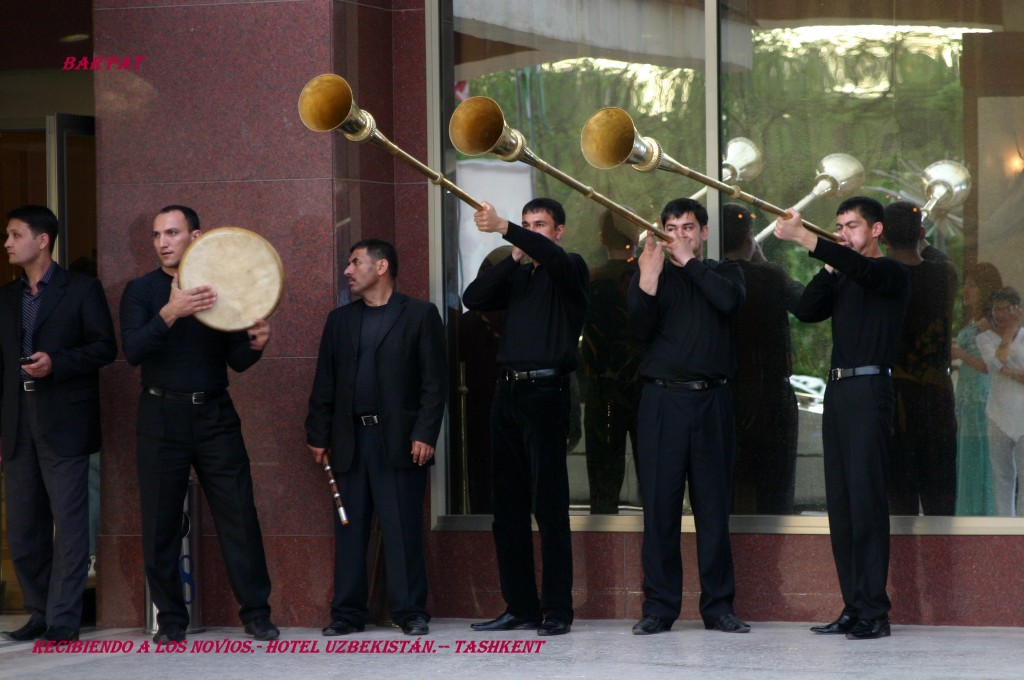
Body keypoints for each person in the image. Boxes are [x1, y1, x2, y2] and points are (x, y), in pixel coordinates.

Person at [120, 205, 278, 644]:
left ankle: (257, 614)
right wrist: (171, 311)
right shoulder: (141, 291)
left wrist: (257, 346)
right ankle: (170, 619)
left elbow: (237, 360)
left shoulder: (218, 289)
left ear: (197, 236)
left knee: (239, 515)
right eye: (156, 235)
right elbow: (133, 350)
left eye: (172, 232)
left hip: (214, 413)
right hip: (159, 415)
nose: (163, 242)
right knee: (160, 522)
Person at [775, 196, 909, 640]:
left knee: (867, 502)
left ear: (876, 230)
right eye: (839, 226)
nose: (844, 233)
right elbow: (806, 310)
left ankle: (875, 610)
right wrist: (828, 266)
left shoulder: (888, 271)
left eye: (852, 226)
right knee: (843, 505)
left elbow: (867, 273)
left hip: (871, 390)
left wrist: (809, 240)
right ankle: (853, 605)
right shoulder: (844, 271)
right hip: (838, 392)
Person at [306, 239, 447, 636]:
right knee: (350, 530)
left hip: (400, 441)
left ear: (381, 267)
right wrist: (317, 434)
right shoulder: (340, 321)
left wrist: (425, 433)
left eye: (355, 262)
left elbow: (435, 383)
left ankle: (410, 613)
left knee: (402, 528)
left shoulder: (419, 314)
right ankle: (347, 614)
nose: (348, 271)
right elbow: (324, 383)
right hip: (349, 440)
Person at [463, 197, 588, 637]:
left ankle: (557, 609)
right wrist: (513, 255)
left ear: (558, 231)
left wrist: (507, 229)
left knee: (549, 506)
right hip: (508, 392)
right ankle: (519, 605)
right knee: (508, 507)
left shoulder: (569, 267)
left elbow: (554, 259)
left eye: (541, 225)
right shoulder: (518, 273)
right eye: (528, 224)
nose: (533, 231)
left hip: (547, 392)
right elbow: (472, 297)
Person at [628, 197, 749, 636]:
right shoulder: (651, 274)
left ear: (703, 233)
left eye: (688, 227)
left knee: (714, 508)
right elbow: (638, 331)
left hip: (712, 400)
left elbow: (729, 303)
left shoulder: (723, 271)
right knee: (659, 508)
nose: (680, 234)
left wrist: (689, 264)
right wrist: (647, 278)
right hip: (662, 402)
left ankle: (718, 607)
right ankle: (660, 608)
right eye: (672, 227)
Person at [0, 205, 116, 643]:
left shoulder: (83, 290)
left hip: (64, 417)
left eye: (15, 234)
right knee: (24, 526)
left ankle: (65, 616)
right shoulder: (6, 298)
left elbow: (104, 347)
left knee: (69, 524)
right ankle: (38, 612)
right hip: (17, 421)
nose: (8, 243)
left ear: (42, 239)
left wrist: (58, 363)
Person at [722, 203, 803, 515]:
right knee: (774, 489)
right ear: (749, 239)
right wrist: (765, 263)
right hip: (771, 394)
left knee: (732, 487)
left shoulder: (710, 277)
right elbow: (805, 304)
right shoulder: (770, 277)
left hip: (729, 393)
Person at [882, 201, 958, 515]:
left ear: (883, 237)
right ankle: (943, 564)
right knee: (941, 495)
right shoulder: (944, 275)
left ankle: (904, 565)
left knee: (900, 500)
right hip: (937, 394)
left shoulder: (880, 280)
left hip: (896, 397)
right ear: (922, 233)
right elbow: (935, 255)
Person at [579, 210, 641, 514]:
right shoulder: (650, 278)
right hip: (646, 385)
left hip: (602, 385)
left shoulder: (591, 280)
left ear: (602, 238)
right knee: (654, 476)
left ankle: (605, 539)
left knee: (603, 477)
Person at [952, 263, 1003, 515]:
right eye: (966, 284)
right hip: (966, 395)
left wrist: (959, 353)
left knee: (979, 454)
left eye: (972, 285)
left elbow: (991, 365)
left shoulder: (986, 323)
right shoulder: (974, 321)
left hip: (979, 396)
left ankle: (980, 513)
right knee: (969, 452)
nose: (966, 290)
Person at [976, 287, 1024, 516]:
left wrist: (1006, 370)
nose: (1000, 314)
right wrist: (1011, 330)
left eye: (1006, 309)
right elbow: (996, 361)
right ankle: (1004, 529)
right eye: (997, 308)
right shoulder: (984, 338)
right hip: (997, 413)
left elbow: (1000, 363)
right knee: (1002, 476)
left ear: (1017, 309)